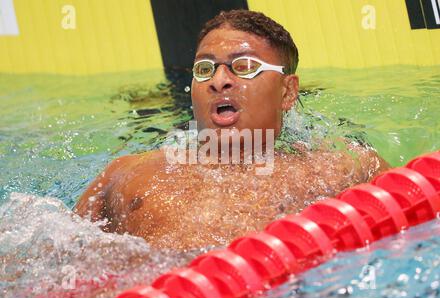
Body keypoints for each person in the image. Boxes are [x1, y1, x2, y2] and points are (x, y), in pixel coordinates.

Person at [74, 10, 389, 250]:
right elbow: (56, 261)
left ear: (287, 92)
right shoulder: (125, 175)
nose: (219, 80)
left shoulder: (346, 170)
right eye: (204, 68)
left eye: (244, 67)